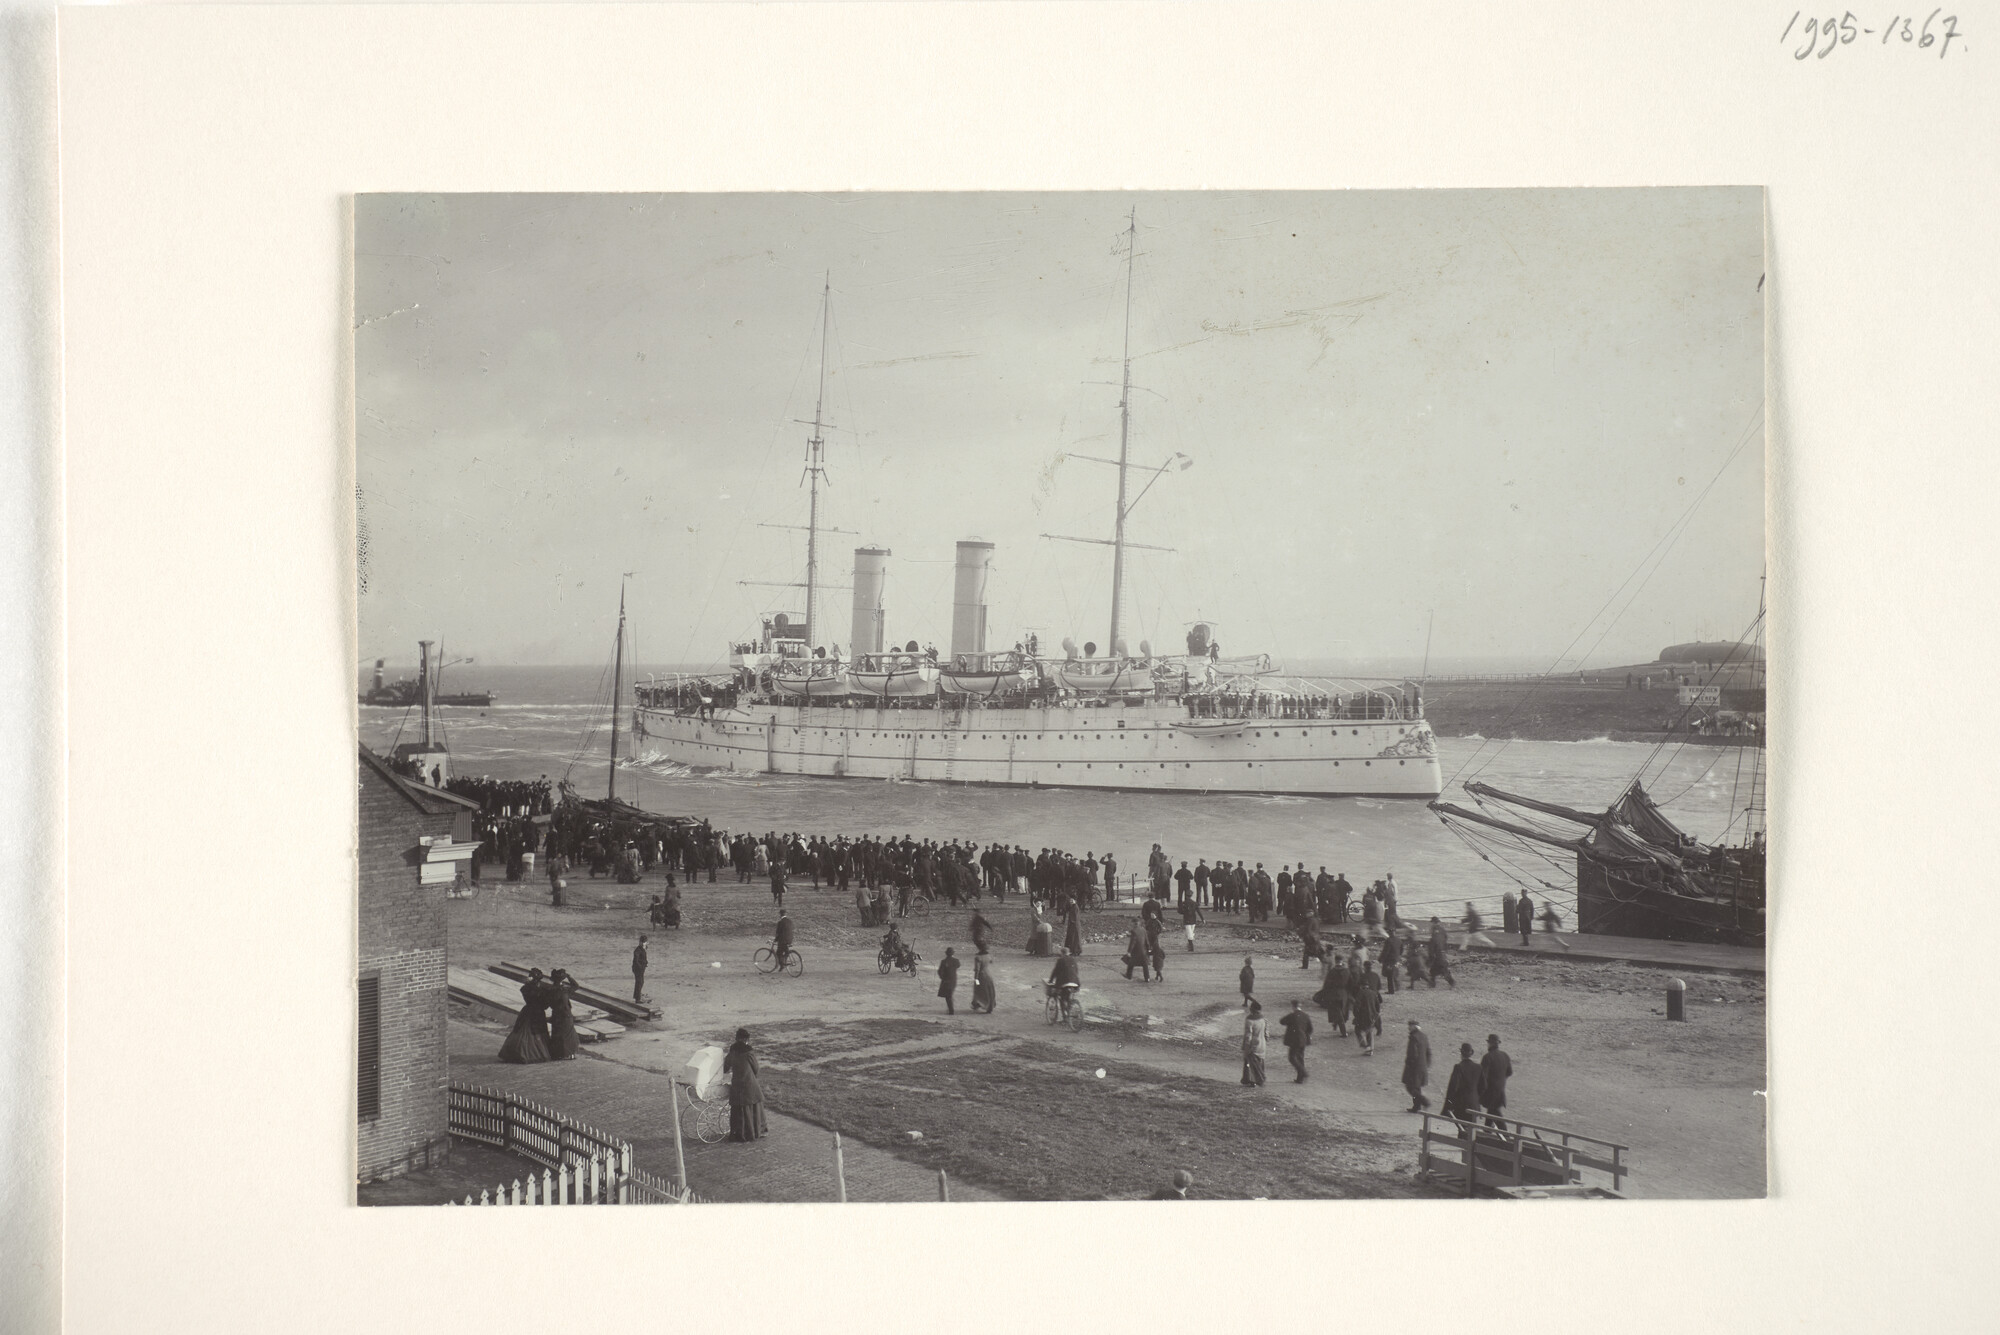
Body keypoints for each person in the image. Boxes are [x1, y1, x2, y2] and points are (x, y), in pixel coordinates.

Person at [497, 969, 553, 1064]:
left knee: (522, 1031)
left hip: (527, 1011)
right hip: (538, 1012)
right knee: (537, 1031)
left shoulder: (525, 989)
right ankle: (535, 1053)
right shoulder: (542, 991)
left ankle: (517, 1053)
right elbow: (545, 1005)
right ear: (539, 980)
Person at [723, 1027, 767, 1142]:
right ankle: (754, 1132)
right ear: (746, 1039)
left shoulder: (732, 1050)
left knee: (737, 1109)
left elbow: (725, 1067)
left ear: (737, 1039)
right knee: (754, 1107)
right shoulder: (749, 1051)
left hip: (737, 1086)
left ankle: (738, 1134)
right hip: (749, 1084)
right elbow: (756, 1069)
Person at [1479, 1034, 1514, 1129]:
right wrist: (1500, 1079)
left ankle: (1506, 1137)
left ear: (1489, 1044)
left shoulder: (1487, 1057)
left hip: (1490, 1092)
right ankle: (1487, 1132)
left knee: (1495, 1114)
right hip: (1500, 1091)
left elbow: (1482, 1077)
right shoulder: (1505, 1055)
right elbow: (1510, 1072)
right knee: (1492, 1113)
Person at [548, 969, 582, 1060]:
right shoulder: (564, 990)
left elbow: (548, 1003)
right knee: (569, 1034)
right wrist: (569, 977)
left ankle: (557, 1054)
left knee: (557, 1034)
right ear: (562, 980)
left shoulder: (550, 990)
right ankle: (570, 1054)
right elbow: (576, 986)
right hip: (566, 1014)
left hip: (556, 1014)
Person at [1442, 1042, 1482, 1121]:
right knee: (1471, 1129)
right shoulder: (1478, 1067)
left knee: (1462, 1130)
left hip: (1461, 1105)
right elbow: (1483, 1086)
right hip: (1474, 1104)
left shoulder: (1458, 1067)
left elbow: (1453, 1088)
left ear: (1461, 1053)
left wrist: (1447, 1107)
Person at [1279, 1000, 1314, 1083]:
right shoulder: (1306, 1016)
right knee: (1300, 1058)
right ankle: (1300, 1079)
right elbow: (1310, 1029)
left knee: (1292, 1057)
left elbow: (1282, 1021)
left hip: (1294, 1040)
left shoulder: (1292, 1015)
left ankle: (1303, 1072)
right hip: (1303, 1040)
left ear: (1293, 1006)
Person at [1401, 1019, 1432, 1112]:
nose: (1408, 1028)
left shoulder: (1413, 1037)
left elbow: (1412, 1054)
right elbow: (1429, 1052)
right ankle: (1416, 1107)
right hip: (1423, 1066)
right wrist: (1427, 1065)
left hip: (1414, 1067)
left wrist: (1408, 1064)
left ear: (1414, 1027)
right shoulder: (1424, 1036)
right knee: (1416, 1087)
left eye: (1410, 1026)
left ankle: (1424, 1101)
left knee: (1410, 1087)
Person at [1350, 965, 1379, 1055]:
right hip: (1372, 1016)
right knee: (1369, 1032)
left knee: (1357, 1030)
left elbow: (1356, 1006)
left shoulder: (1360, 993)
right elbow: (1378, 1005)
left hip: (1362, 1016)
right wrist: (1376, 1014)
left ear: (1362, 986)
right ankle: (1370, 1050)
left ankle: (1365, 1045)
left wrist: (1356, 1015)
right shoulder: (1373, 993)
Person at [1240, 1001, 1268, 1087]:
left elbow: (1248, 1035)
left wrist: (1246, 1046)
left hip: (1253, 1044)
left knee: (1250, 1062)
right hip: (1262, 1043)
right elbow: (1267, 1034)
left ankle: (1254, 1080)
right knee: (1259, 1062)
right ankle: (1255, 1079)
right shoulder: (1264, 1019)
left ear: (1252, 1009)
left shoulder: (1249, 1020)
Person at [971, 949, 996, 1013]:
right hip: (988, 974)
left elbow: (977, 969)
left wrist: (976, 979)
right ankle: (989, 1005)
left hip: (980, 976)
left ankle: (977, 1003)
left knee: (978, 988)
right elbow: (991, 961)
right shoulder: (988, 956)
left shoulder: (978, 958)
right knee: (989, 990)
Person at [937, 947, 961, 1015]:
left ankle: (951, 1010)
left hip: (946, 980)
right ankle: (951, 1009)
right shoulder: (956, 961)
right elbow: (958, 966)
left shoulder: (943, 961)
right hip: (954, 979)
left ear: (946, 953)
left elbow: (939, 971)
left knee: (948, 996)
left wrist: (942, 978)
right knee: (950, 994)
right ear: (953, 953)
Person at [632, 934, 650, 1004]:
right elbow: (636, 960)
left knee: (641, 982)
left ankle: (638, 995)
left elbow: (643, 957)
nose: (643, 943)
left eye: (644, 942)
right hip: (637, 968)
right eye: (642, 942)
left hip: (641, 968)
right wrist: (640, 967)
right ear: (639, 942)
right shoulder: (638, 949)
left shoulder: (643, 948)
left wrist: (645, 962)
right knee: (639, 982)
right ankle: (637, 999)